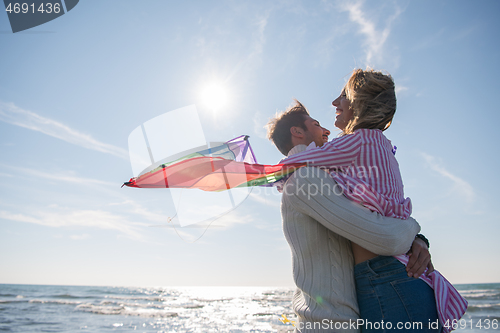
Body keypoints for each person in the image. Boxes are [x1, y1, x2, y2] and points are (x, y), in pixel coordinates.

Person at [267, 95, 433, 332]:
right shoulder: (306, 179)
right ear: (297, 132)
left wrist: (418, 241)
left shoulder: (322, 177)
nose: (326, 130)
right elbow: (388, 239)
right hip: (330, 325)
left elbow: (368, 217)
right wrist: (413, 228)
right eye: (315, 124)